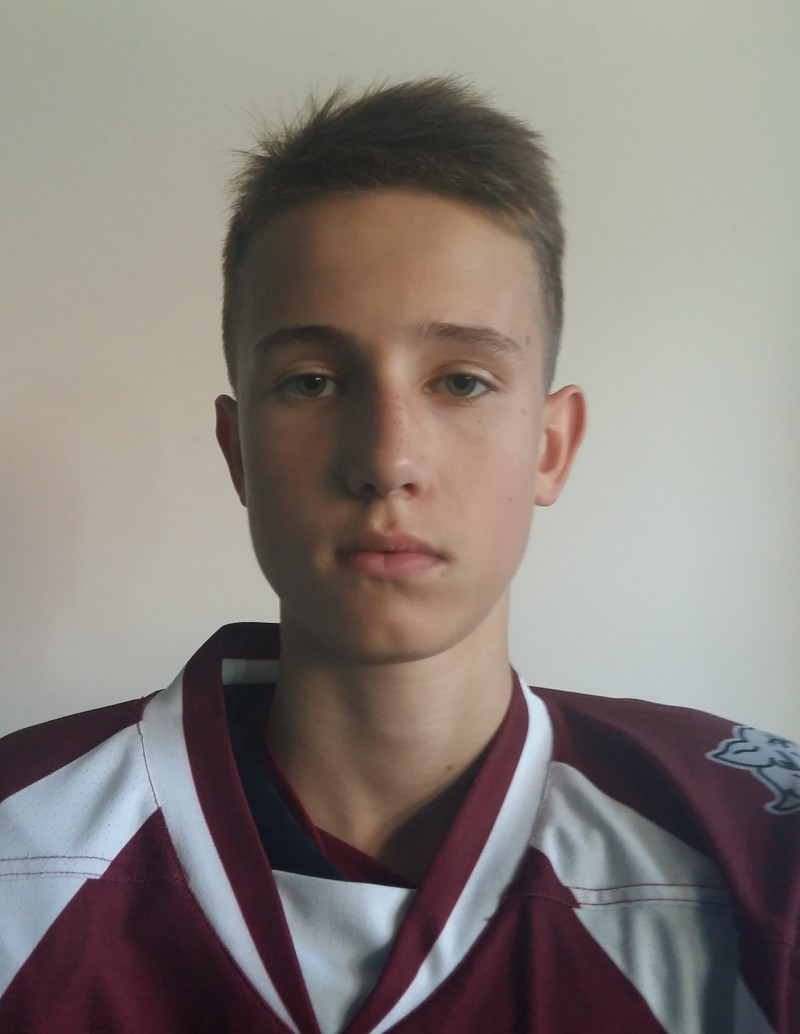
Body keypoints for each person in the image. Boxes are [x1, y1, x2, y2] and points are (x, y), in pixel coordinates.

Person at [0, 77, 796, 1034]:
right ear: (237, 450)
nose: (387, 460)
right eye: (312, 382)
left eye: (461, 381)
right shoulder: (20, 844)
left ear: (551, 446)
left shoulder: (757, 857)